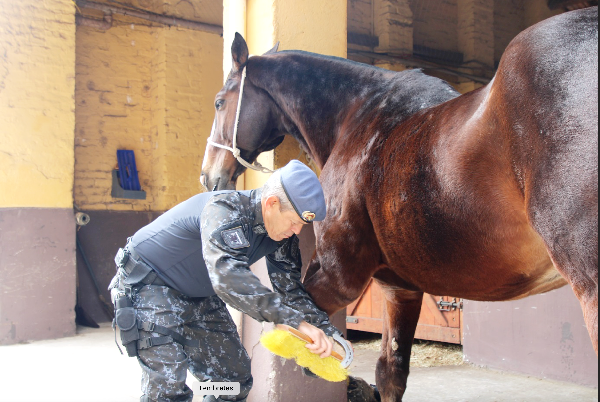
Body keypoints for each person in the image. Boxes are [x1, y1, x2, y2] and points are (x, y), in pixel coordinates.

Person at [109, 160, 344, 402]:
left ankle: (199, 394)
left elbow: (289, 289)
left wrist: (325, 333)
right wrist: (290, 320)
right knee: (168, 390)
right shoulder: (224, 209)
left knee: (234, 382)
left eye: (302, 225)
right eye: (294, 222)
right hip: (151, 285)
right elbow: (229, 276)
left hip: (199, 294)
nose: (296, 231)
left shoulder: (280, 234)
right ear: (271, 203)